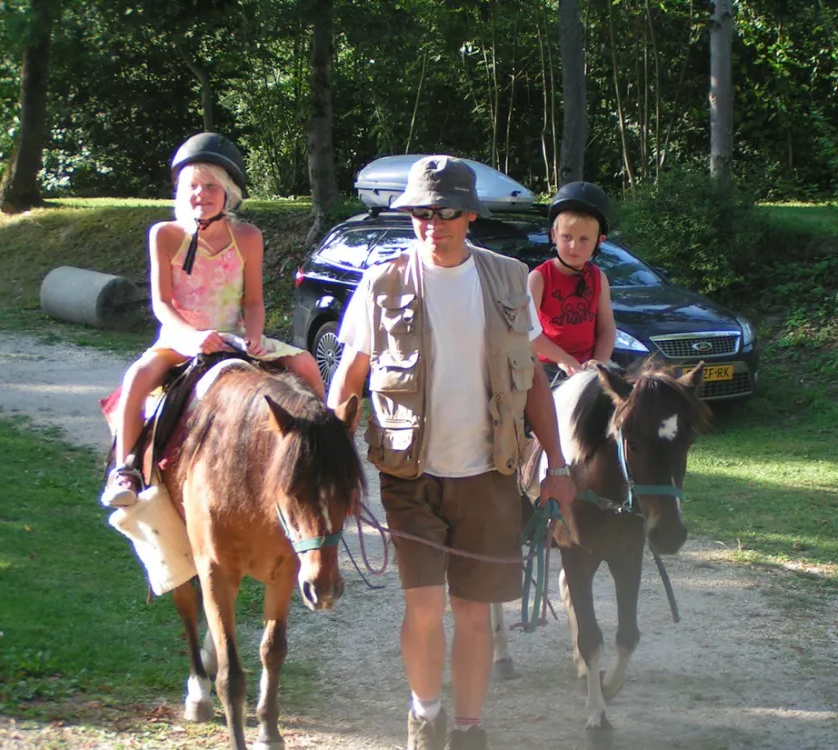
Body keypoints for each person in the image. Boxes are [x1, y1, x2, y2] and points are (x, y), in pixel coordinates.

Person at [326, 155, 577, 750]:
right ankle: (425, 713)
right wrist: (332, 465)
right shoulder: (382, 283)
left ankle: (468, 729)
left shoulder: (508, 278)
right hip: (409, 475)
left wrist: (558, 464)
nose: (431, 224)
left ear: (469, 215)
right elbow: (349, 381)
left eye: (444, 212)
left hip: (489, 474)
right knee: (423, 608)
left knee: (472, 612)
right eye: (420, 212)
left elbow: (534, 381)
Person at [101, 132, 325, 509]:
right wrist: (192, 337)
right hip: (181, 338)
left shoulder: (248, 236)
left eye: (210, 186)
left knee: (305, 364)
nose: (200, 194)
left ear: (228, 193)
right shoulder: (164, 235)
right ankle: (126, 470)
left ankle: (325, 450)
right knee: (137, 378)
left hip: (233, 336)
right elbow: (162, 303)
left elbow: (253, 302)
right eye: (192, 186)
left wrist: (255, 336)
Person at [530, 181, 617, 383]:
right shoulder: (539, 278)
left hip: (589, 366)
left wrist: (599, 362)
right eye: (566, 237)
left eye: (584, 239)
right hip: (547, 367)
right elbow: (527, 330)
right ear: (554, 235)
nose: (574, 246)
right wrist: (563, 359)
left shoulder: (598, 278)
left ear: (599, 240)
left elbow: (607, 329)